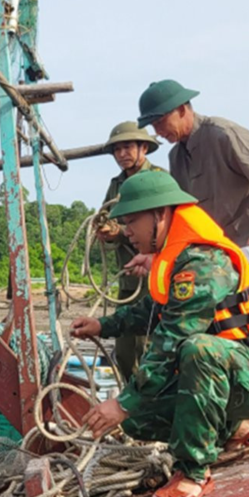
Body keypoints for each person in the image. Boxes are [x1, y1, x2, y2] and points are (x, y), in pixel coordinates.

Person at [71, 171, 249, 497]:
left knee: (196, 349)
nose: (127, 231)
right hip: (231, 378)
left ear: (161, 214)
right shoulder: (174, 258)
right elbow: (150, 311)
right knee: (137, 420)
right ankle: (237, 426)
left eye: (132, 221)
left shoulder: (204, 262)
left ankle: (194, 472)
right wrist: (102, 325)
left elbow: (173, 338)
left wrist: (122, 401)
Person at [137, 79, 249, 321]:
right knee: (223, 321)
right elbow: (183, 216)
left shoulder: (224, 134)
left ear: (182, 110)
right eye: (153, 125)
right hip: (224, 248)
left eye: (160, 122)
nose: (158, 131)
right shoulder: (176, 156)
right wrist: (156, 254)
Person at [96, 121, 163, 383]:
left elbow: (163, 227)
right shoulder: (116, 185)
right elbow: (105, 216)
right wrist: (104, 229)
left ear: (143, 148)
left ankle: (150, 405)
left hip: (155, 274)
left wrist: (121, 232)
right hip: (128, 277)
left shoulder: (158, 179)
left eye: (127, 147)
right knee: (124, 351)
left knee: (149, 346)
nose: (122, 154)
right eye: (117, 150)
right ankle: (132, 400)